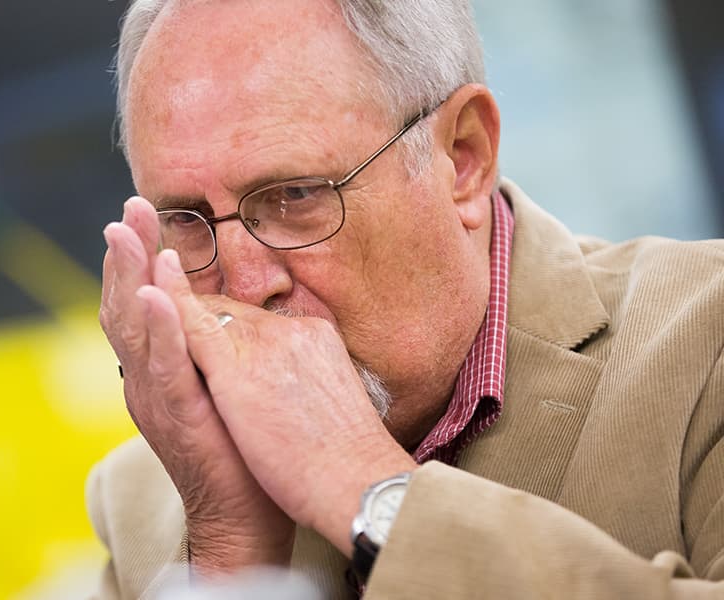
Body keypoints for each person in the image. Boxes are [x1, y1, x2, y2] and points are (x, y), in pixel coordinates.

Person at [88, 0, 724, 598]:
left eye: (296, 197)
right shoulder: (148, 493)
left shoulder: (708, 340)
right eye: (186, 217)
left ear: (463, 157)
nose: (248, 284)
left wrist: (363, 486)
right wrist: (233, 557)